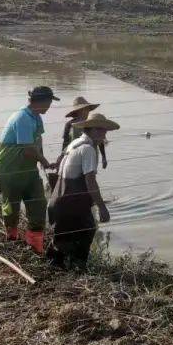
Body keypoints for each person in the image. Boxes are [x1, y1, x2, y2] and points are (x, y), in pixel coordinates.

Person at [47, 112, 118, 269]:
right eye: (100, 129)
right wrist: (102, 207)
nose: (104, 133)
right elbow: (90, 181)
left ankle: (57, 268)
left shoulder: (75, 144)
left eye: (105, 130)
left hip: (58, 200)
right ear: (90, 130)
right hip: (72, 202)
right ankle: (76, 270)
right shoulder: (88, 149)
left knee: (62, 240)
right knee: (86, 232)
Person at [0, 86, 58, 254]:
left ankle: (35, 247)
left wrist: (44, 164)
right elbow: (28, 149)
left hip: (28, 169)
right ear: (42, 101)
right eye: (49, 102)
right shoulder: (22, 118)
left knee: (38, 205)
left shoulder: (36, 118)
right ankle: (12, 240)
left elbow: (37, 142)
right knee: (12, 207)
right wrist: (43, 160)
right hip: (9, 169)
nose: (50, 106)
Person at [49, 96, 105, 189]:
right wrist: (60, 159)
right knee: (77, 178)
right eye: (85, 109)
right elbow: (65, 144)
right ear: (78, 111)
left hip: (91, 154)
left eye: (88, 109)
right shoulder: (69, 125)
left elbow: (100, 140)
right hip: (74, 156)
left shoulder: (92, 124)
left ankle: (90, 196)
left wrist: (104, 157)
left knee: (90, 176)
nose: (87, 111)